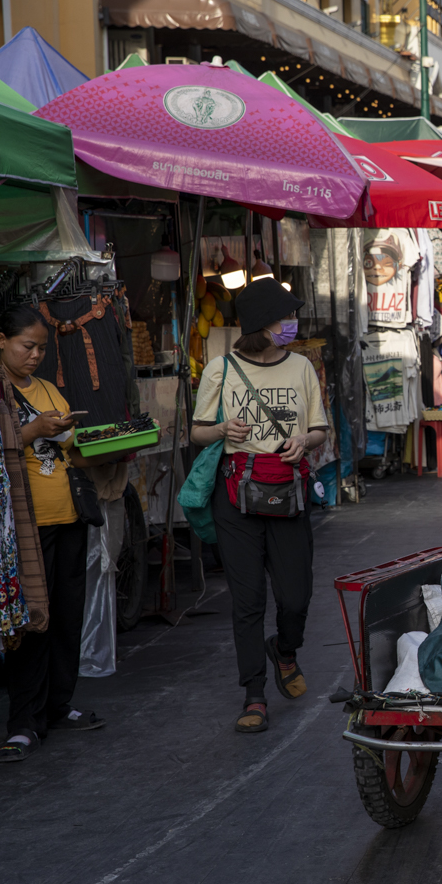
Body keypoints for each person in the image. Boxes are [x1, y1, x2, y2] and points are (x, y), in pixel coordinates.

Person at [0, 306, 147, 762]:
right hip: (25, 526)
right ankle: (24, 721)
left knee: (66, 616)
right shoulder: (0, 393)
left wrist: (116, 445)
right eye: (28, 346)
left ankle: (58, 705)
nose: (36, 356)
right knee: (33, 621)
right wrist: (33, 430)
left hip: (68, 517)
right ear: (1, 340)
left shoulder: (47, 390)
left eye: (42, 348)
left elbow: (72, 455)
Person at [191, 277, 329, 734]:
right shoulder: (220, 369)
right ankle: (253, 695)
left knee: (296, 595)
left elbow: (319, 431)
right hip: (235, 495)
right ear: (260, 324)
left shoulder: (302, 368)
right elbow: (198, 431)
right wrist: (222, 431)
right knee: (247, 599)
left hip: (287, 489)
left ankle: (285, 650)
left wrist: (304, 441)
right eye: (285, 317)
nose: (293, 324)